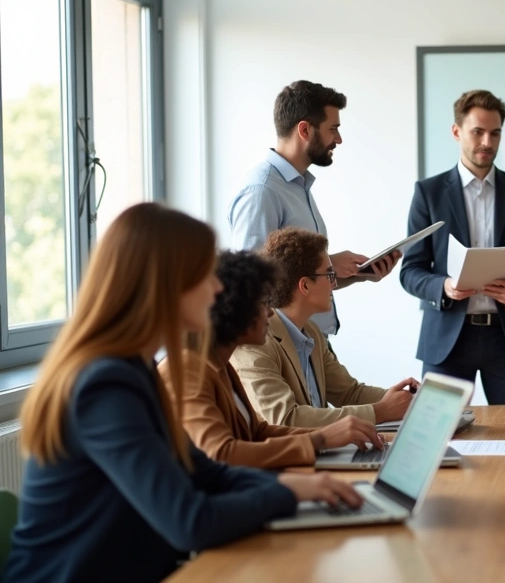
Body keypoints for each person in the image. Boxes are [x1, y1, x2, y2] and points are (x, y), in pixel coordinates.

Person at [3, 204, 360, 583]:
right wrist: (290, 493)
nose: (219, 288)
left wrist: (304, 485)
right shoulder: (104, 386)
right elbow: (190, 521)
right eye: (205, 274)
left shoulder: (134, 372)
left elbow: (207, 473)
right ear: (167, 284)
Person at [160, 251, 385, 469]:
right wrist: (319, 441)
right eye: (264, 303)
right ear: (235, 308)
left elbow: (258, 432)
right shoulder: (188, 369)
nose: (270, 313)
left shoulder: (223, 367)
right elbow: (221, 453)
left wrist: (326, 436)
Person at [400, 90, 505, 405]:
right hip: (447, 339)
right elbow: (410, 271)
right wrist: (444, 286)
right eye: (477, 132)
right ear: (456, 132)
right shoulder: (428, 193)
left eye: (495, 133)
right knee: (440, 438)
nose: (487, 142)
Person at [228, 80, 398, 338]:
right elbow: (252, 285)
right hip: (284, 349)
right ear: (305, 130)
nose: (338, 139)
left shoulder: (298, 186)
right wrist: (329, 263)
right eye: (333, 129)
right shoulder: (262, 191)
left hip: (312, 344)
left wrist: (358, 275)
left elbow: (300, 282)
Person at [233, 228, 419, 426]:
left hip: (318, 451)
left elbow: (350, 393)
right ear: (304, 285)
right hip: (282, 456)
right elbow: (286, 419)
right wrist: (379, 411)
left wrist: (410, 400)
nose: (334, 284)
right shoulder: (254, 342)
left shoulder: (311, 332)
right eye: (329, 274)